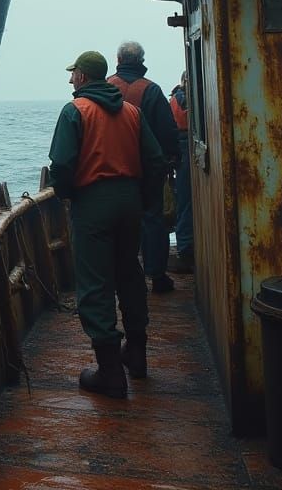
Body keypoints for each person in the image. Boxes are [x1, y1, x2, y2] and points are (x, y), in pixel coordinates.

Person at [49, 50, 167, 398]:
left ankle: (111, 372)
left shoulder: (75, 111)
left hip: (93, 203)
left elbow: (61, 166)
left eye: (74, 75)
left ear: (84, 77)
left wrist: (69, 195)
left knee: (95, 282)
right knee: (129, 273)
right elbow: (156, 160)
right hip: (130, 202)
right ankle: (137, 353)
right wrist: (144, 200)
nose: (71, 80)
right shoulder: (131, 112)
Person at [108, 41, 179, 293]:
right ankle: (157, 275)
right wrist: (172, 160)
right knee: (152, 219)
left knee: (114, 221)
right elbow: (167, 131)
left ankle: (116, 276)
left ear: (118, 60)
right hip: (147, 169)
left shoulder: (104, 87)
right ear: (141, 60)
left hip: (110, 170)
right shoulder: (151, 90)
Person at [169, 74, 194, 273]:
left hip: (178, 147)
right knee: (186, 203)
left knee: (184, 202)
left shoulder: (174, 99)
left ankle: (184, 247)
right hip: (187, 147)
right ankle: (186, 248)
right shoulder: (189, 100)